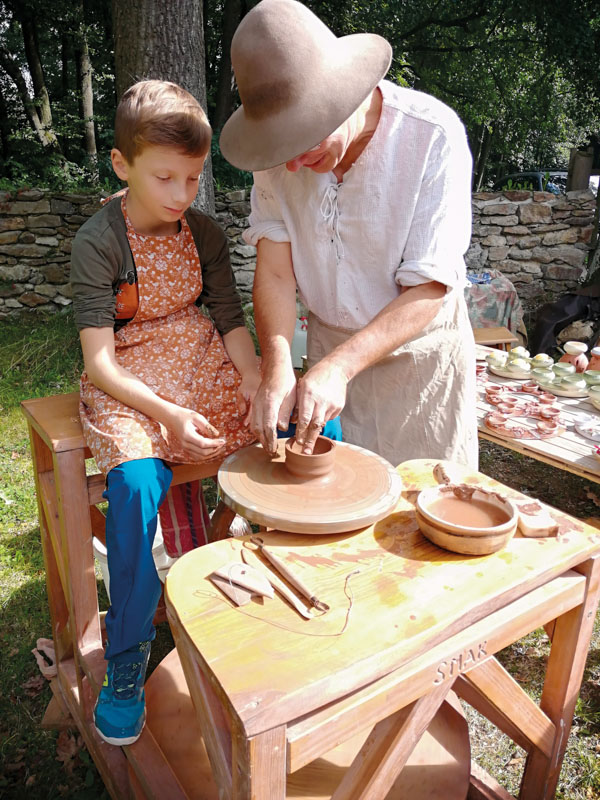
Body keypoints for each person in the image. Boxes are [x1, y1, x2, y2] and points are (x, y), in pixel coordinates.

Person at [70, 80, 259, 745]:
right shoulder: (99, 240)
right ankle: (127, 655)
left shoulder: (202, 232)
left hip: (198, 360)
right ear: (122, 165)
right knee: (135, 484)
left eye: (194, 177)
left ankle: (273, 592)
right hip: (128, 381)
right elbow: (99, 362)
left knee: (301, 426)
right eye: (165, 177)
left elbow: (230, 320)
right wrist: (169, 417)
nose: (183, 194)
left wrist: (258, 381)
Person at [220, 0, 478, 468]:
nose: (292, 165)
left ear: (343, 96)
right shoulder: (277, 153)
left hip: (420, 368)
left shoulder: (431, 136)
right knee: (333, 495)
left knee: (423, 501)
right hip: (326, 356)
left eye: (304, 142)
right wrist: (277, 364)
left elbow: (429, 286)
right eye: (282, 148)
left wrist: (341, 366)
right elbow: (275, 273)